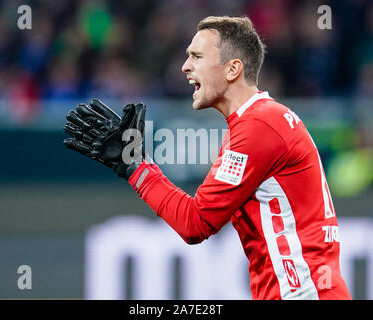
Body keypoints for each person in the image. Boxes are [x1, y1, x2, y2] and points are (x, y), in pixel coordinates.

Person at [63, 16, 352, 300]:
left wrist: (134, 166)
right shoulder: (262, 121)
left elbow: (195, 223)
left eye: (197, 56)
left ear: (232, 69)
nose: (185, 66)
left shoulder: (258, 127)